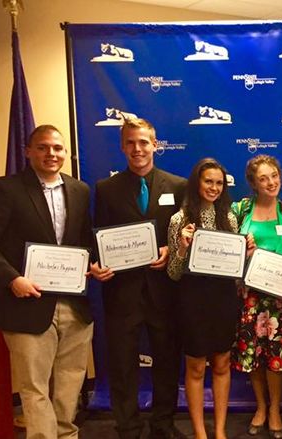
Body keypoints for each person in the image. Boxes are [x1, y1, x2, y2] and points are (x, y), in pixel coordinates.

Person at [0, 125, 94, 438]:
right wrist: (11, 279)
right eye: (43, 147)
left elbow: (84, 241)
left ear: (65, 153)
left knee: (70, 384)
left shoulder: (80, 190)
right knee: (34, 389)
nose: (52, 154)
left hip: (74, 305)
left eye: (58, 148)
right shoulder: (6, 189)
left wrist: (97, 264)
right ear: (28, 151)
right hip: (26, 303)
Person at [91, 118, 187, 439]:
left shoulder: (178, 186)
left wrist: (169, 250)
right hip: (122, 292)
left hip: (165, 293)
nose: (137, 149)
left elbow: (187, 236)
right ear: (122, 147)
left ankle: (163, 423)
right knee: (121, 365)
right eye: (131, 143)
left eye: (144, 142)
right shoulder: (106, 189)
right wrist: (98, 263)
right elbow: (99, 237)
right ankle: (128, 427)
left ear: (155, 145)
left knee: (167, 362)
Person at [166, 158, 252, 439]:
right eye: (208, 181)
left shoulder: (229, 218)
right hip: (192, 300)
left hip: (223, 299)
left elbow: (236, 270)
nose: (214, 188)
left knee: (222, 363)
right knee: (194, 366)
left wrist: (245, 252)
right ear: (196, 183)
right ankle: (201, 432)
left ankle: (221, 431)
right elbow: (173, 274)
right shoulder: (179, 220)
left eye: (219, 183)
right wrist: (180, 247)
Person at [231, 154, 282, 439]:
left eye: (274, 176)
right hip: (250, 297)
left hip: (279, 299)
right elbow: (223, 246)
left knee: (276, 358)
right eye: (263, 179)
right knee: (253, 355)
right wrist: (241, 250)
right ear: (253, 184)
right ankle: (260, 406)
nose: (271, 182)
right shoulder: (240, 209)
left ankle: (275, 410)